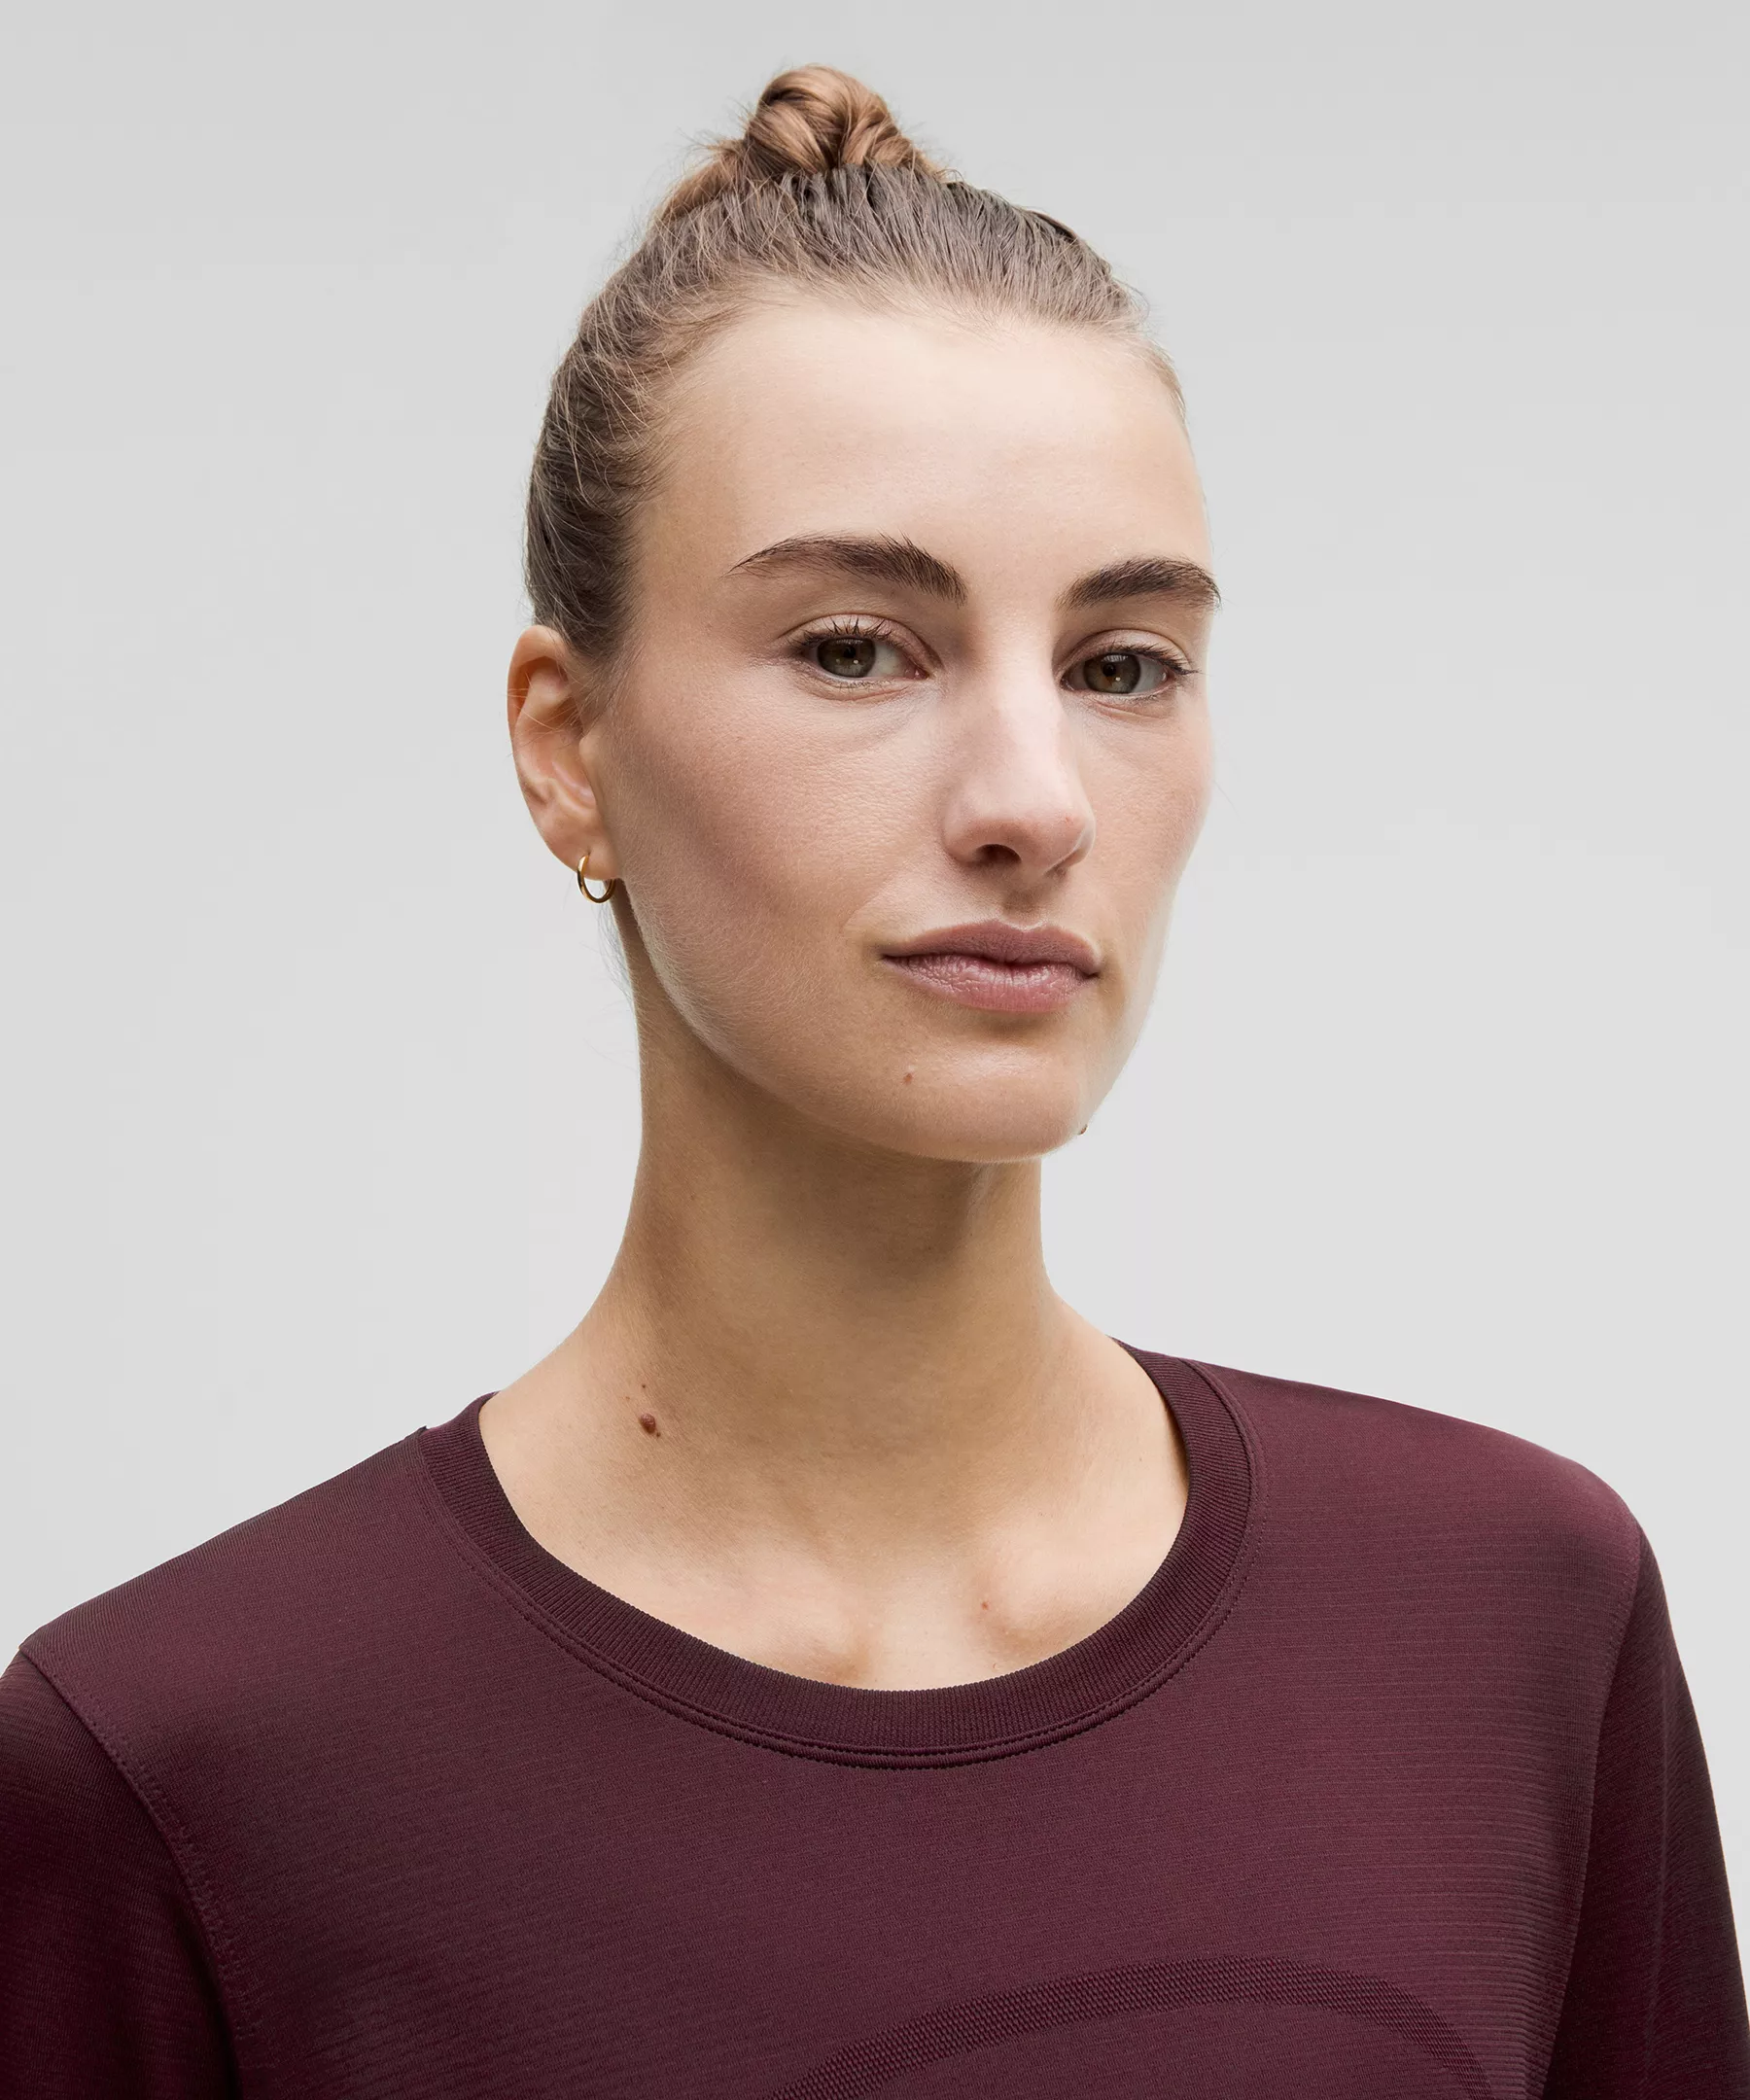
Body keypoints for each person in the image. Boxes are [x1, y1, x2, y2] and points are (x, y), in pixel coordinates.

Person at [1, 62, 1744, 2099]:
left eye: (1122, 665)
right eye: (857, 648)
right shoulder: (185, 1771)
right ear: (568, 747)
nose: (1034, 802)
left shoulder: (1510, 1625)